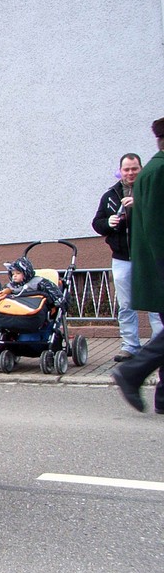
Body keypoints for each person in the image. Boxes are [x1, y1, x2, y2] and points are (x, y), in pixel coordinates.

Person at [112, 116, 164, 415]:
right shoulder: (158, 172)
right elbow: (158, 227)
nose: (130, 172)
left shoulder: (151, 172)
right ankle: (132, 372)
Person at [92, 153, 163, 362]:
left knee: (156, 303)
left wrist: (139, 204)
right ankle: (130, 345)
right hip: (122, 258)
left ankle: (159, 346)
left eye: (134, 169)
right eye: (127, 169)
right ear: (120, 171)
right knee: (125, 305)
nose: (131, 173)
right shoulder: (111, 195)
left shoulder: (150, 190)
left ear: (140, 169)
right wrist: (109, 223)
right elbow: (97, 223)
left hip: (148, 258)